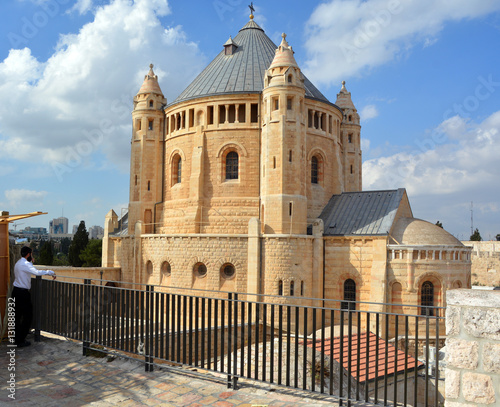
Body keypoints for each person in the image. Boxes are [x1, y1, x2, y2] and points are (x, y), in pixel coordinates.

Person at [12, 246, 56, 347]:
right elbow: (36, 272)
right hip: (23, 293)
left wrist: (31, 262)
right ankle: (20, 340)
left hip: (16, 291)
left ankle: (17, 338)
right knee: (28, 316)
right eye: (31, 254)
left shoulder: (18, 263)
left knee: (17, 316)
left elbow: (28, 270)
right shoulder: (26, 264)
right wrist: (50, 272)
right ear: (28, 254)